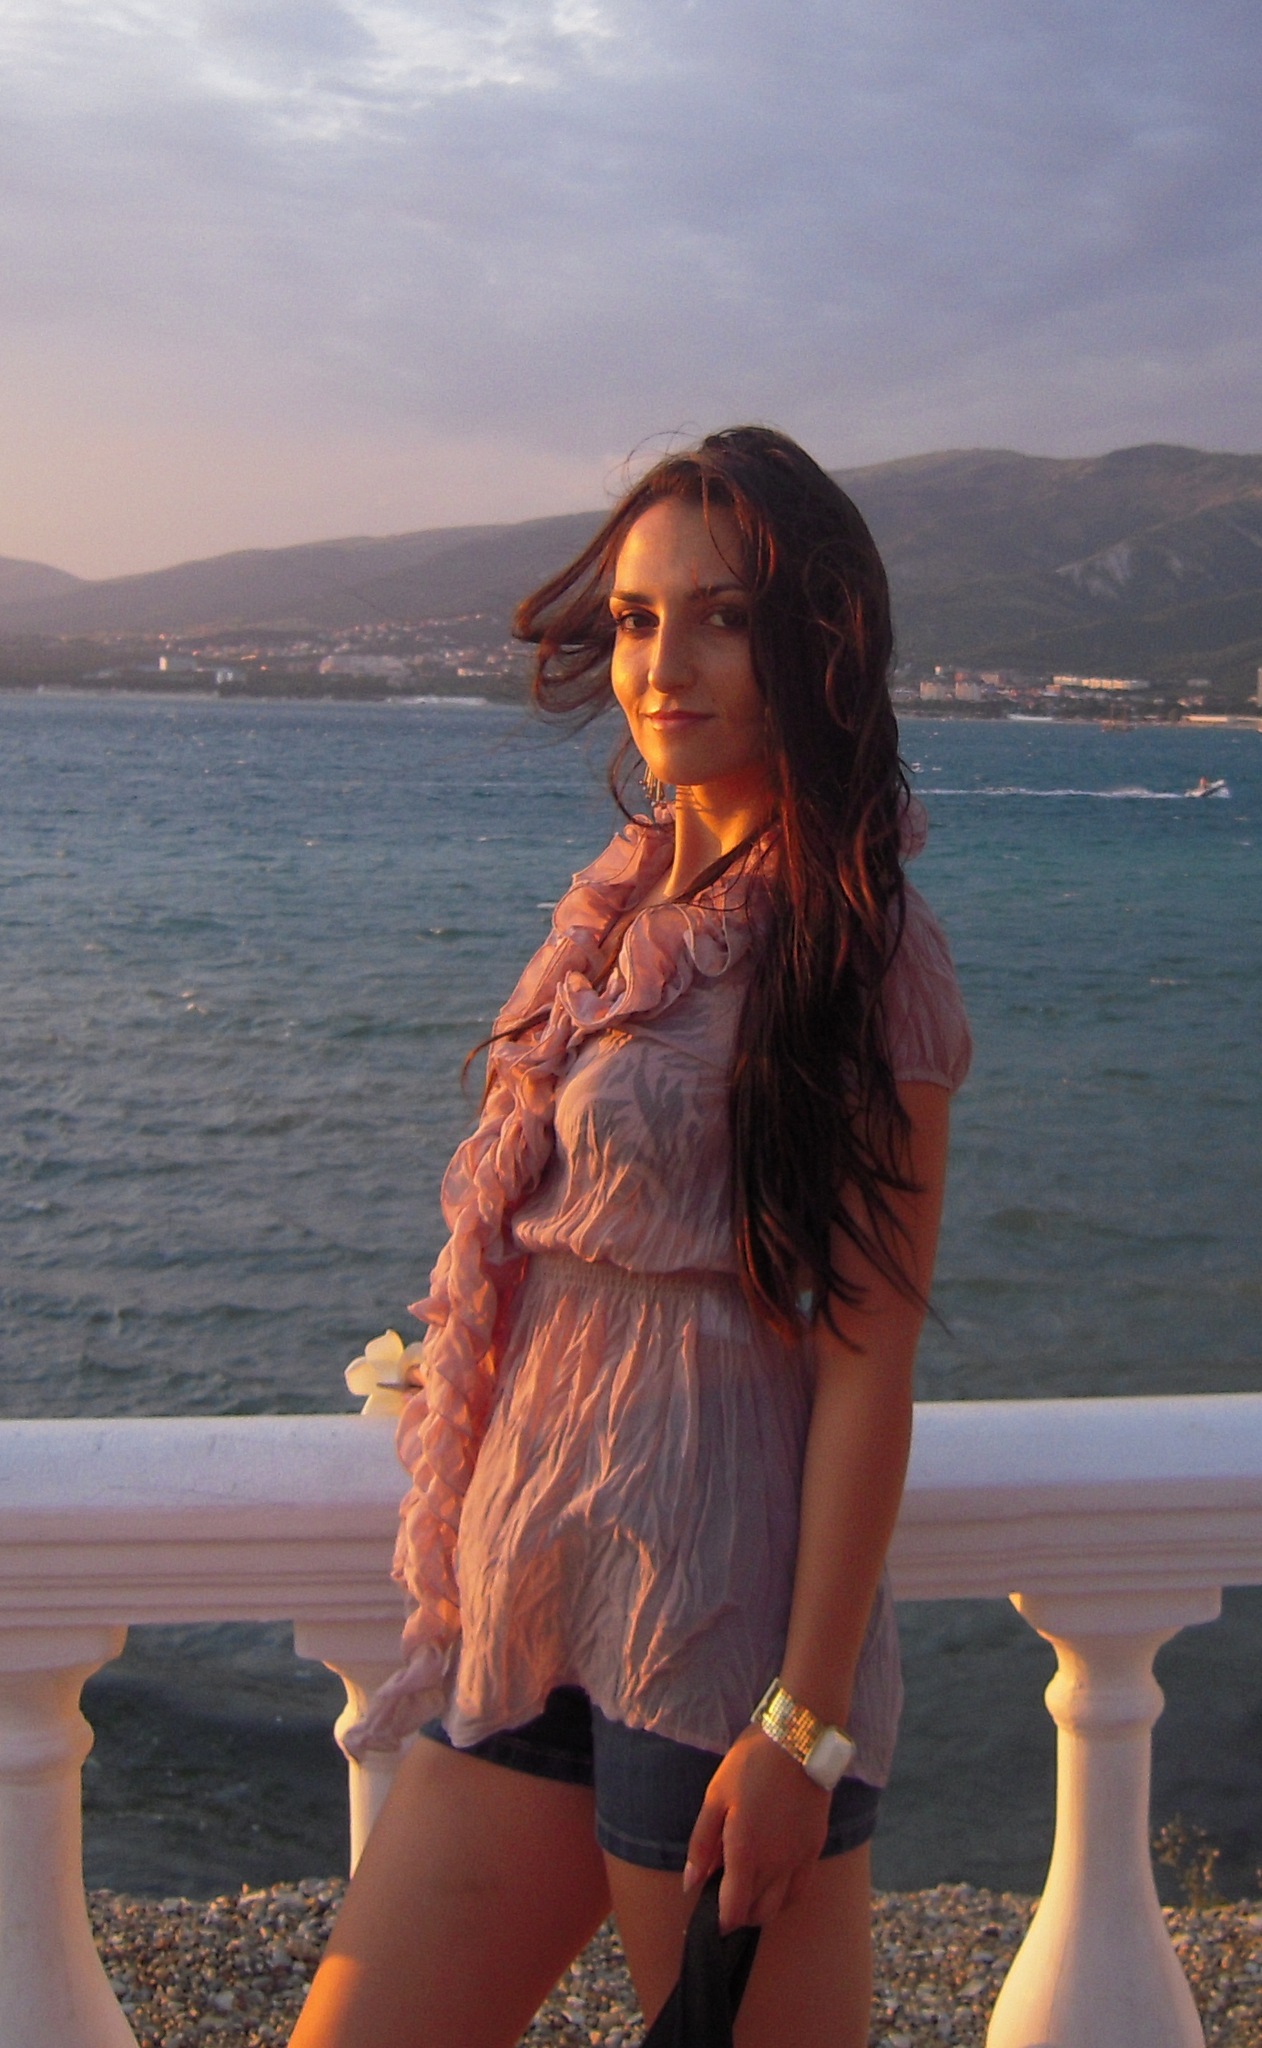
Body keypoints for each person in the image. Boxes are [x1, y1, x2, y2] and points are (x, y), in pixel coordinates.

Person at [290, 426, 971, 2048]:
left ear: (817, 643)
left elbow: (866, 1361)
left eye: (721, 618)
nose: (663, 665)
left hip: (716, 1630)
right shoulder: (621, 906)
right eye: (640, 619)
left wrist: (801, 1731)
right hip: (530, 1589)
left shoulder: (859, 951)